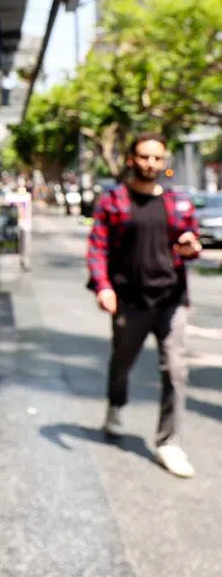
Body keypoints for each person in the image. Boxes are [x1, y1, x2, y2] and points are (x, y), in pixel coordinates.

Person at [86, 133, 202, 478]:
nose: (152, 164)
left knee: (176, 369)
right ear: (131, 159)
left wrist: (190, 247)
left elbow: (191, 240)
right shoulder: (113, 201)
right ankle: (116, 404)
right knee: (122, 362)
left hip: (171, 298)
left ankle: (169, 442)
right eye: (145, 157)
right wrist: (103, 287)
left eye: (158, 158)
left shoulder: (177, 202)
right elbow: (98, 248)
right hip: (130, 300)